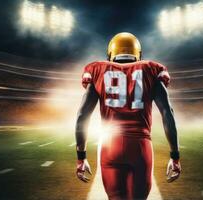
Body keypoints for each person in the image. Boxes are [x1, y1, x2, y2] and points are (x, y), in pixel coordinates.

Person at [75, 32, 181, 200]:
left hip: (110, 146)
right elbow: (168, 113)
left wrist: (81, 157)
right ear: (138, 53)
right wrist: (175, 156)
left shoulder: (97, 70)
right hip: (140, 145)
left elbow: (82, 116)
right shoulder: (151, 70)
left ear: (111, 53)